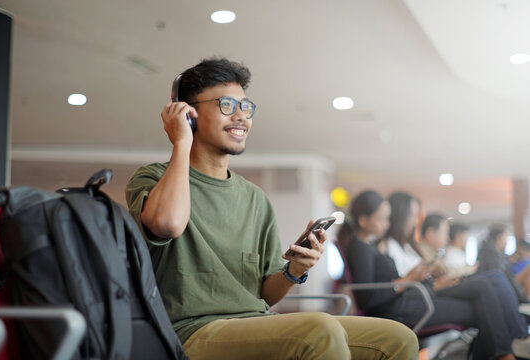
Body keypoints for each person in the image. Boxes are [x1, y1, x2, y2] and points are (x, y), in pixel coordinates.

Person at [125, 58, 418, 360]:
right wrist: (181, 143)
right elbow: (168, 223)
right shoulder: (153, 179)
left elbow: (266, 293)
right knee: (318, 330)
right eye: (227, 105)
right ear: (189, 114)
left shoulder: (255, 198)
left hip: (255, 323)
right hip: (190, 333)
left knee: (397, 338)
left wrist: (295, 269)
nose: (241, 117)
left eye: (246, 107)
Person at [375, 190, 523, 360]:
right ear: (401, 216)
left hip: (429, 290)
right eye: (412, 215)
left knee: (493, 281)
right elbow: (402, 282)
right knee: (484, 287)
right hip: (421, 296)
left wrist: (434, 278)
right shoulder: (389, 246)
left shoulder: (407, 247)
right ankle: (511, 347)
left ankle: (513, 343)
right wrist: (427, 279)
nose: (414, 221)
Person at [477, 224, 528, 303]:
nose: (507, 241)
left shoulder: (494, 254)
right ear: (499, 238)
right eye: (506, 237)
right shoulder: (492, 256)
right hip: (498, 294)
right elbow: (500, 280)